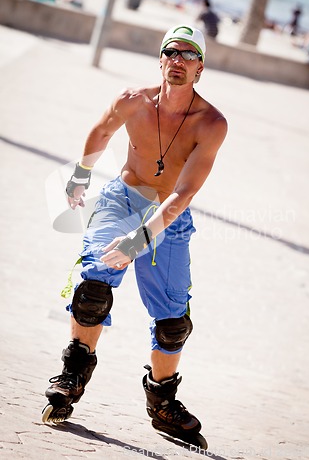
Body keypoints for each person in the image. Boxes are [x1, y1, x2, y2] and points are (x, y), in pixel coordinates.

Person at [42, 25, 227, 447]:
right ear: (160, 60)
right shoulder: (133, 101)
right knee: (94, 285)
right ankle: (72, 373)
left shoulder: (212, 123)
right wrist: (80, 174)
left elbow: (183, 194)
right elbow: (101, 130)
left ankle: (162, 401)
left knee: (173, 322)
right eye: (171, 52)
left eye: (189, 54)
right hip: (121, 199)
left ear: (200, 68)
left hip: (169, 218)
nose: (178, 59)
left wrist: (138, 241)